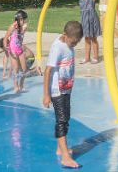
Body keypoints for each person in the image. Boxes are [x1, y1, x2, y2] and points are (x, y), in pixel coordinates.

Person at [43, 21, 82, 169]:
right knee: (61, 120)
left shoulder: (67, 42)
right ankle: (65, 157)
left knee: (66, 118)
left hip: (66, 88)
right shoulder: (57, 48)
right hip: (56, 90)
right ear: (65, 36)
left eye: (77, 42)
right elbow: (47, 71)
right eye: (73, 42)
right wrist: (46, 95)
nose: (75, 44)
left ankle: (60, 148)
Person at [73, 0, 102, 64]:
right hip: (85, 20)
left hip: (92, 19)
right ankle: (87, 58)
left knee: (93, 38)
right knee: (86, 38)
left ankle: (96, 57)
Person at [5, 10, 30, 93]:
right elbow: (5, 39)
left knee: (25, 69)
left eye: (25, 20)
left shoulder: (24, 27)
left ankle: (21, 84)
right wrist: (7, 49)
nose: (25, 21)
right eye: (24, 19)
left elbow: (21, 35)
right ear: (19, 19)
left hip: (19, 49)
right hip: (13, 50)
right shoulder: (12, 27)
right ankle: (16, 86)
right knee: (15, 69)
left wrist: (23, 28)